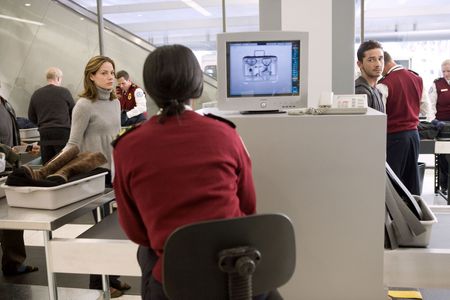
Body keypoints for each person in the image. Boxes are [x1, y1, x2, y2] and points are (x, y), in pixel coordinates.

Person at [113, 45, 269, 300]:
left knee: (146, 251)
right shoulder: (227, 134)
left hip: (176, 281)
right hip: (237, 277)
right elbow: (248, 208)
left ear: (150, 90)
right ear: (197, 85)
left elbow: (135, 231)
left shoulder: (127, 147)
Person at [64, 56, 126, 297]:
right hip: (95, 176)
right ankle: (98, 285)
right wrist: (53, 169)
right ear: (91, 76)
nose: (110, 76)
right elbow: (73, 143)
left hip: (116, 173)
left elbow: (115, 137)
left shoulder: (115, 103)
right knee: (100, 231)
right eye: (104, 73)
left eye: (111, 72)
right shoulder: (84, 105)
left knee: (115, 228)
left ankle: (112, 277)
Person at [377, 51, 430, 195]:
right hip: (414, 135)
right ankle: (414, 212)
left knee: (393, 180)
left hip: (394, 137)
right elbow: (426, 109)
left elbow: (380, 115)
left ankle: (394, 216)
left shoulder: (384, 84)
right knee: (412, 178)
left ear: (384, 63)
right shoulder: (416, 78)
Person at [0, 95, 38, 276]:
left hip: (8, 169)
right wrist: (7, 152)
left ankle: (13, 263)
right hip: (4, 164)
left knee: (12, 217)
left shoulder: (5, 103)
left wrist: (26, 148)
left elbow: (12, 138)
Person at [28, 67, 75, 164]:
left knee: (48, 164)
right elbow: (74, 112)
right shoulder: (64, 92)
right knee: (64, 164)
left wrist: (43, 124)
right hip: (63, 133)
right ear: (58, 78)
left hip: (45, 134)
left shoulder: (36, 94)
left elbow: (31, 116)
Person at [429, 59, 450, 193]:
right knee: (444, 158)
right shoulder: (437, 84)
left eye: (448, 71)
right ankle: (444, 186)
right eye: (444, 71)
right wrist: (435, 121)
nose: (446, 74)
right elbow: (430, 106)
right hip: (443, 127)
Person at [355, 40, 385, 112]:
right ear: (360, 64)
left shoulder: (376, 90)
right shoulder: (361, 91)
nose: (378, 64)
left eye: (380, 59)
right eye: (371, 60)